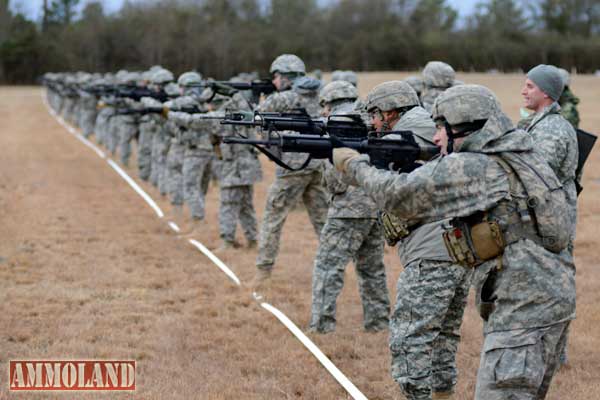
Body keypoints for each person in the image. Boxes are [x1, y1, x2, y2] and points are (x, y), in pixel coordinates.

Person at [332, 84, 576, 400]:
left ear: (465, 127)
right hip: (551, 301)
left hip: (522, 312)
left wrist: (351, 164)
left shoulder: (478, 165)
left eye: (441, 128)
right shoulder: (519, 151)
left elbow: (401, 196)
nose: (435, 138)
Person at [366, 80, 472, 400]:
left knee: (409, 339)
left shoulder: (410, 135)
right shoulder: (430, 130)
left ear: (390, 112)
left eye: (375, 115)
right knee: (444, 335)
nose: (372, 122)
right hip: (458, 246)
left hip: (432, 252)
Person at [309, 80, 390, 334]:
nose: (323, 112)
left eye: (324, 106)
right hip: (375, 205)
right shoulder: (368, 122)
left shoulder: (337, 126)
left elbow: (335, 178)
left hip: (347, 209)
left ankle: (321, 326)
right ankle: (378, 324)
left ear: (330, 103)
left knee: (328, 266)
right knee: (372, 268)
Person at [252, 54, 329, 289]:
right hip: (319, 163)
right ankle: (332, 268)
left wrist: (263, 100)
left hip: (292, 168)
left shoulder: (283, 98)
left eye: (276, 77)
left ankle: (263, 272)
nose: (274, 81)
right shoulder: (322, 95)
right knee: (323, 221)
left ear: (285, 77)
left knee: (273, 218)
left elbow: (256, 119)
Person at [521, 64, 579, 367]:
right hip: (541, 220)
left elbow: (535, 173)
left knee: (554, 286)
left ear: (546, 92)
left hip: (552, 222)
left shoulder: (554, 128)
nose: (523, 91)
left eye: (530, 86)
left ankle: (554, 356)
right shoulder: (535, 123)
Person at [213, 92, 262, 250]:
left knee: (228, 203)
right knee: (246, 206)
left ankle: (227, 241)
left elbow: (213, 127)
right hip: (247, 167)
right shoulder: (246, 115)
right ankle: (253, 240)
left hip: (235, 168)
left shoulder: (229, 116)